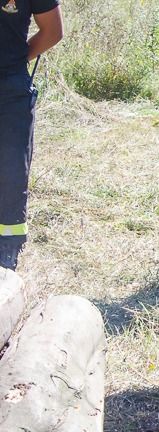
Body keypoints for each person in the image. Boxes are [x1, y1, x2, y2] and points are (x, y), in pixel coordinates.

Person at [0, 0, 63, 270]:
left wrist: (13, 62)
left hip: (9, 90)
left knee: (12, 172)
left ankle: (7, 250)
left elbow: (52, 31)